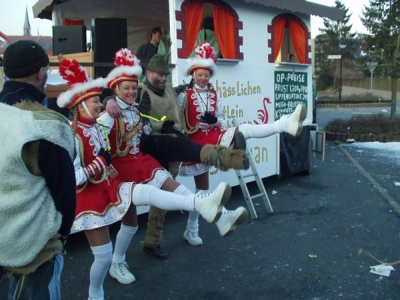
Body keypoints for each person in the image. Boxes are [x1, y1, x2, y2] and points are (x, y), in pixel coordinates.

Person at [57, 58, 232, 300]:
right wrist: (107, 104)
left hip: (132, 167)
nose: (131, 91)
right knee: (116, 240)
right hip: (113, 177)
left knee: (155, 193)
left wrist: (157, 128)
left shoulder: (131, 111)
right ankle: (103, 282)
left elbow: (136, 134)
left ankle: (208, 209)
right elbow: (80, 168)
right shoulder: (98, 121)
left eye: (133, 87)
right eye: (125, 88)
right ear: (115, 90)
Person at [104, 50, 249, 258]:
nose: (163, 78)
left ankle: (156, 240)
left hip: (160, 149)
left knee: (168, 194)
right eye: (159, 74)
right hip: (151, 146)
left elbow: (182, 94)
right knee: (183, 149)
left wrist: (211, 119)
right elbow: (110, 106)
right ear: (148, 72)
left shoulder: (171, 91)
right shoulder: (141, 91)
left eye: (165, 74)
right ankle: (228, 158)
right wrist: (109, 98)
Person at [178, 41, 307, 245]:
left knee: (244, 130)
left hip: (212, 136)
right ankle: (192, 229)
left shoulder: (213, 93)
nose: (203, 78)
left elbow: (220, 120)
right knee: (202, 192)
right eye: (200, 74)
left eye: (207, 74)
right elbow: (176, 119)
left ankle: (284, 124)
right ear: (193, 73)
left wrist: (215, 121)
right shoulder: (183, 94)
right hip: (195, 143)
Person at [0, 40, 77, 300]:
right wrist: (62, 234)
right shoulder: (45, 125)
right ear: (41, 73)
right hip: (33, 247)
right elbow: (65, 193)